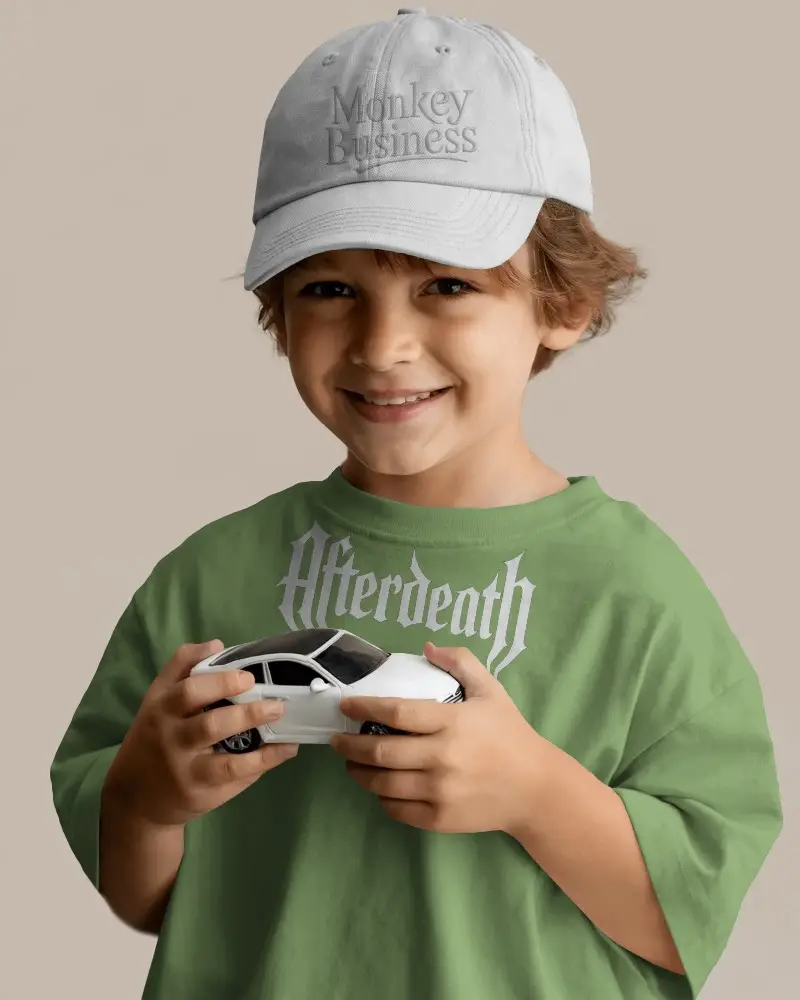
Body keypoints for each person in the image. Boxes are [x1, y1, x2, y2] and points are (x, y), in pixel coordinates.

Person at [50, 8, 783, 1000]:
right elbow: (144, 899)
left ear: (562, 305)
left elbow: (685, 914)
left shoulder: (636, 591)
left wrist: (532, 792)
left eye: (444, 281)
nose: (381, 344)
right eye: (328, 287)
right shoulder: (210, 573)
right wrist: (146, 793)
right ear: (276, 306)